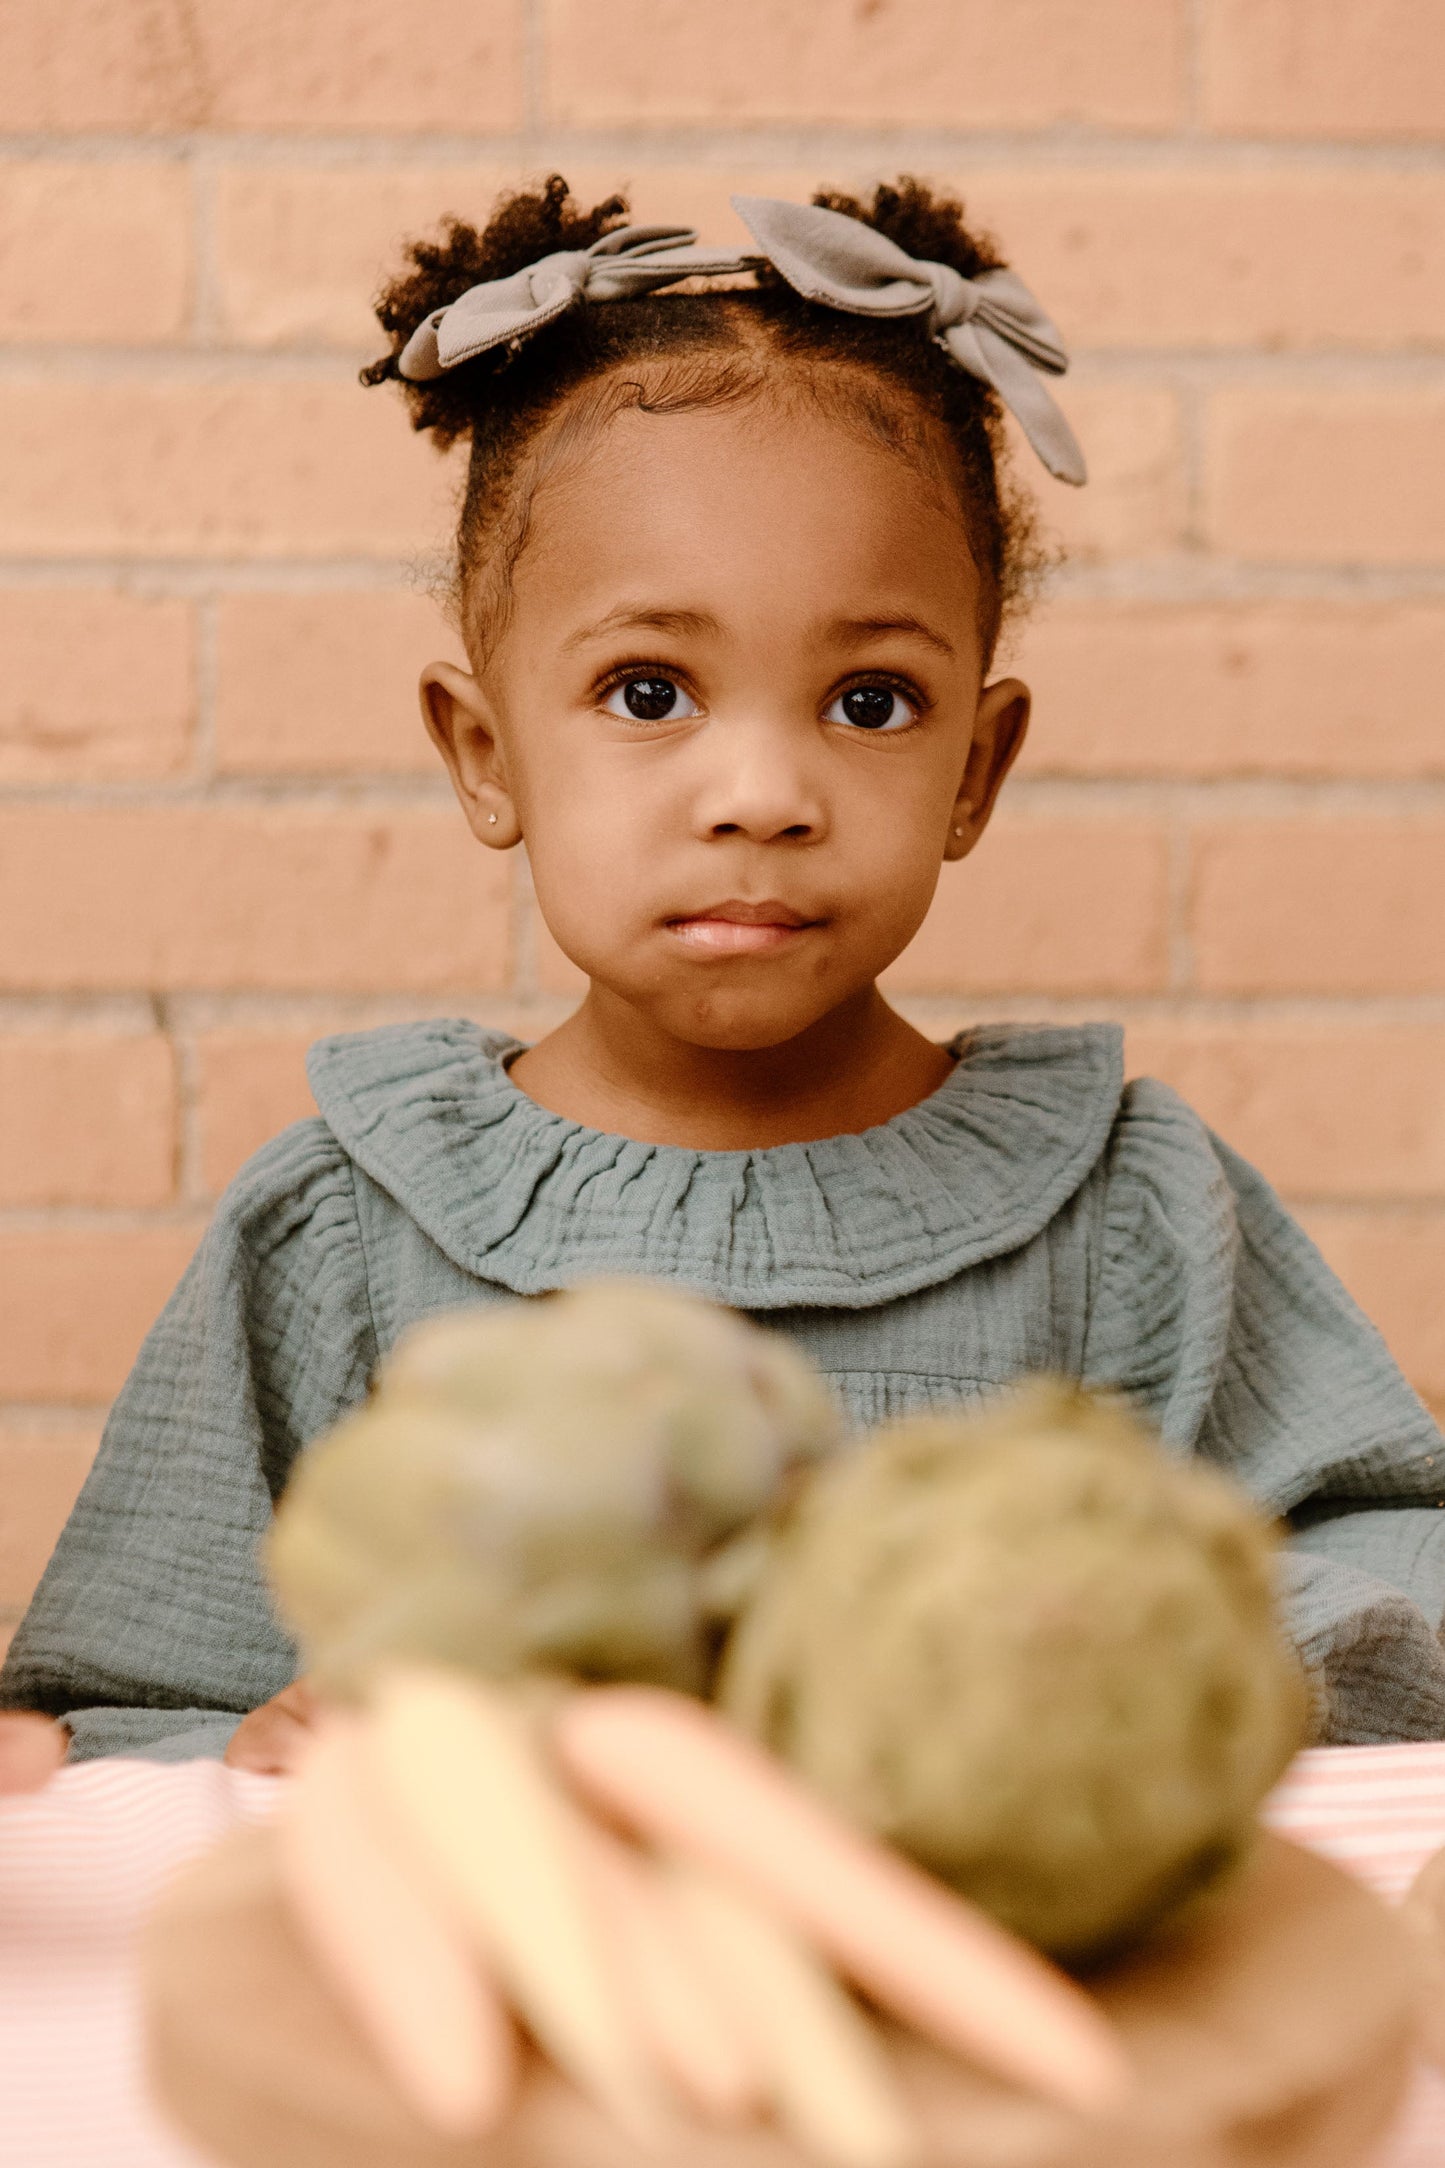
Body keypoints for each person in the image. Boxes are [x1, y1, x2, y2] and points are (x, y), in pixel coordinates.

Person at [3, 175, 1443, 1771]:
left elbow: (1406, 1595)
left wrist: (1126, 1656)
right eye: (645, 690)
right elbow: (113, 1717)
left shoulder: (1131, 1211)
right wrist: (264, 1752)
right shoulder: (346, 1226)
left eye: (872, 703)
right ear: (485, 756)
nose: (759, 791)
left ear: (979, 766)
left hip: (1031, 1977)